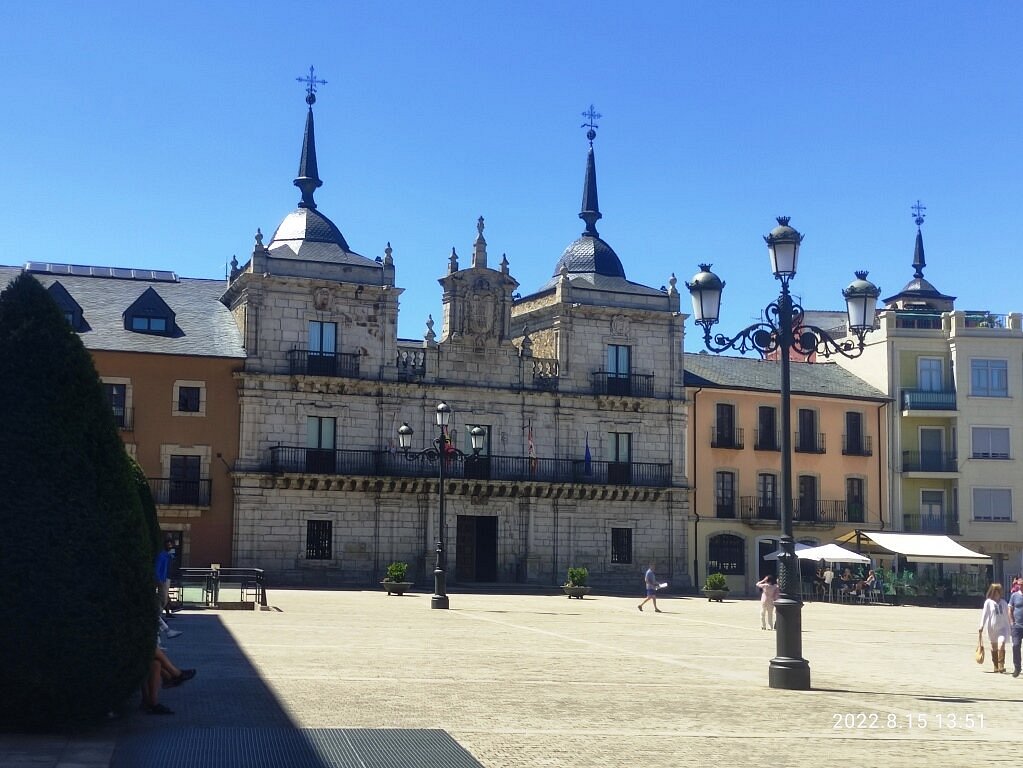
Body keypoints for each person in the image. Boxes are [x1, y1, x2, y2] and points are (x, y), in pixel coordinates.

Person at [978, 582, 1010, 673]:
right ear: (991, 592)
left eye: (998, 591)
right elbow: (984, 615)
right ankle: (996, 666)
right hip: (992, 629)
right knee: (994, 647)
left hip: (1002, 629)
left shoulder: (1003, 603)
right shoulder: (988, 602)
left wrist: (1011, 625)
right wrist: (981, 626)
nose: (996, 593)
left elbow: (1007, 615)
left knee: (1001, 643)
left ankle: (1001, 665)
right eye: (995, 591)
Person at [155, 538, 176, 619]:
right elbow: (158, 568)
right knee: (163, 598)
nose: (170, 546)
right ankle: (158, 615)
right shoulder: (162, 555)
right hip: (163, 578)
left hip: (167, 578)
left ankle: (159, 615)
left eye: (171, 545)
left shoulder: (169, 556)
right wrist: (159, 578)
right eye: (168, 545)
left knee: (164, 597)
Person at [1008, 579, 1023, 677]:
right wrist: (1012, 622)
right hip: (1017, 626)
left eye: (1022, 584)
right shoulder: (1014, 596)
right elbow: (1010, 609)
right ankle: (1017, 667)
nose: (1020, 586)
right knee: (1016, 646)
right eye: (1019, 584)